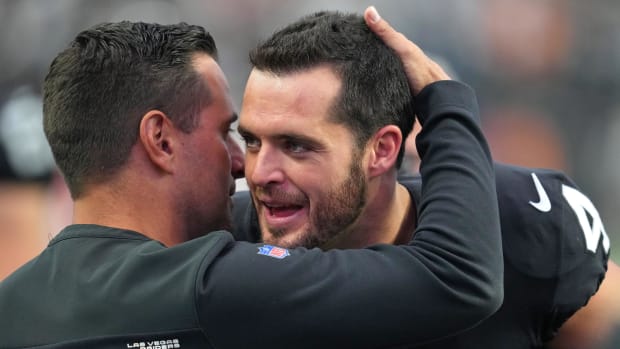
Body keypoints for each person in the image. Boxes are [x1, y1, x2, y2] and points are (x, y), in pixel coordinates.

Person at [0, 17, 504, 348]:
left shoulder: (11, 306)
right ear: (161, 139)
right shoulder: (213, 286)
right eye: (227, 134)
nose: (245, 166)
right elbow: (459, 277)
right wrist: (446, 103)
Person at [231, 8, 610, 348]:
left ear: (382, 151)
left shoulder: (526, 223)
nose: (260, 173)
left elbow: (596, 313)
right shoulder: (222, 238)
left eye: (296, 146)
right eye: (251, 141)